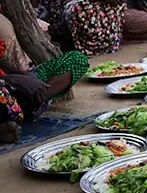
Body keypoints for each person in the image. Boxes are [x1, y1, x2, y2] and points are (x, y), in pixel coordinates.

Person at [0, 11, 88, 144]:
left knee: (77, 59)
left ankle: (37, 98)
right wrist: (14, 79)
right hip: (4, 87)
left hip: (10, 85)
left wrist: (24, 77)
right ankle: (6, 122)